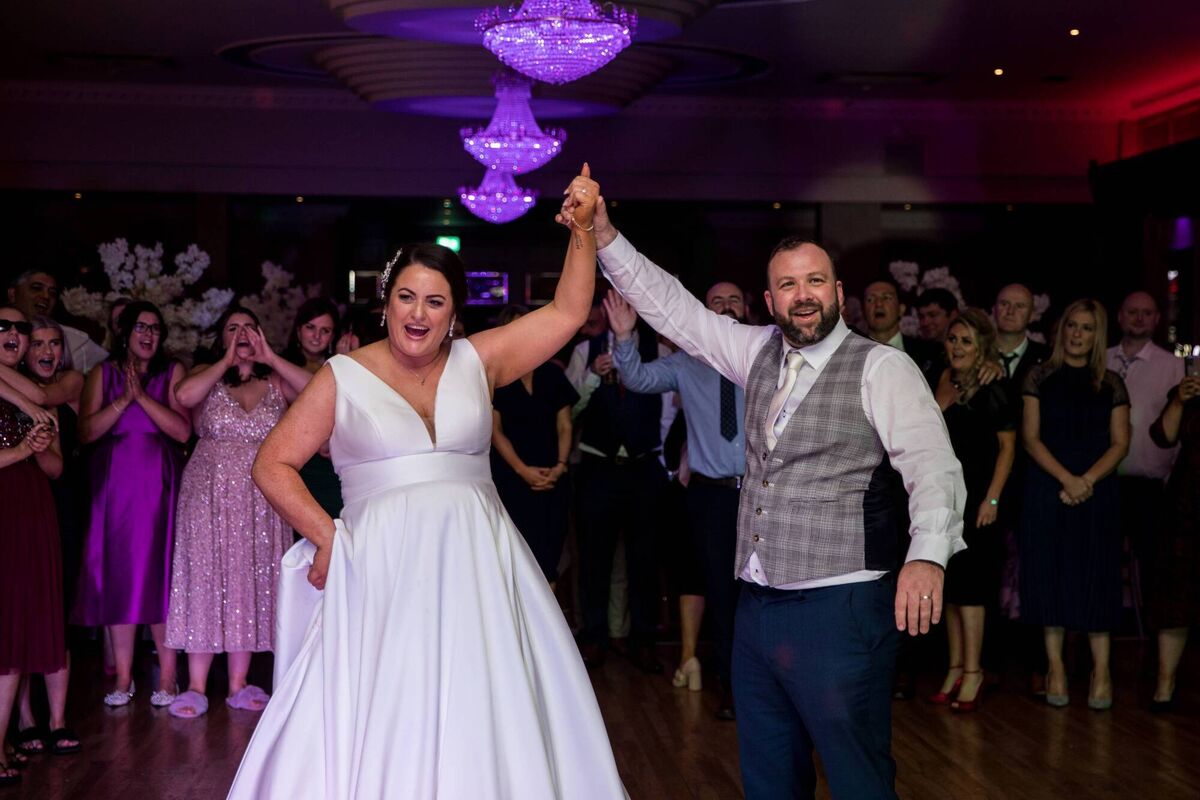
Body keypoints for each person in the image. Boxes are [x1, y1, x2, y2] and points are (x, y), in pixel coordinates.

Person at [227, 165, 627, 799]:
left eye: (435, 301)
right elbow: (271, 463)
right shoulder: (342, 374)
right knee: (394, 699)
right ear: (385, 303)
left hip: (477, 561)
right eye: (407, 297)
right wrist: (325, 536)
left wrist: (581, 226)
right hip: (382, 568)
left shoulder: (480, 359)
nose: (419, 313)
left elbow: (572, 309)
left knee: (484, 696)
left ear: (452, 313)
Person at [575, 177, 965, 800]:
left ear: (838, 292)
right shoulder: (753, 350)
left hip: (840, 607)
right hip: (755, 606)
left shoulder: (882, 367)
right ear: (769, 298)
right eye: (788, 285)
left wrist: (926, 556)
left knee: (858, 776)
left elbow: (933, 464)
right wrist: (604, 237)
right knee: (769, 778)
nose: (802, 296)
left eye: (814, 282)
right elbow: (672, 307)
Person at [606, 281, 747, 720]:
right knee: (722, 595)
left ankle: (768, 688)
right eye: (716, 301)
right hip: (711, 496)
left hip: (762, 493)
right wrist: (626, 338)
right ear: (704, 313)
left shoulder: (767, 357)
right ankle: (730, 686)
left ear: (747, 309)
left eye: (733, 300)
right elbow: (637, 377)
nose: (725, 307)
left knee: (763, 595)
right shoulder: (687, 364)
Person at [164, 307, 313, 718]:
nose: (242, 333)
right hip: (208, 494)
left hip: (261, 497)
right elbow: (183, 397)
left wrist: (271, 358)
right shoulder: (206, 376)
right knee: (206, 576)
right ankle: (195, 685)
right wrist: (226, 361)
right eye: (233, 328)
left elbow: (318, 389)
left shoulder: (277, 380)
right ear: (220, 337)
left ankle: (238, 682)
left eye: (249, 326)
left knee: (250, 578)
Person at [74, 301, 191, 708]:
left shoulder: (171, 372)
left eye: (155, 329)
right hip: (115, 488)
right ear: (125, 333)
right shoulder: (101, 375)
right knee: (119, 576)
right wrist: (124, 399)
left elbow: (181, 431)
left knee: (161, 577)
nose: (148, 335)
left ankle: (170, 675)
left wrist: (143, 396)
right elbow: (86, 432)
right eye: (141, 327)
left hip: (158, 487)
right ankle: (123, 677)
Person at [1019, 299, 1130, 710]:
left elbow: (1121, 442)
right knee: (1050, 577)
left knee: (1097, 578)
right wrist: (1067, 479)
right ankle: (1056, 668)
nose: (1078, 334)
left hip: (1097, 490)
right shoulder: (1039, 377)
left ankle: (1101, 671)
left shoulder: (1112, 382)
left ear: (1097, 334)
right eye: (1072, 326)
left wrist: (1086, 480)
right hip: (1049, 488)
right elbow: (1030, 438)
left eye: (1086, 328)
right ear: (1061, 330)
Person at [928, 309, 1016, 712]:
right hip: (944, 496)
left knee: (974, 591)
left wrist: (993, 499)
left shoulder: (993, 385)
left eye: (966, 340)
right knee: (949, 590)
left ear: (981, 345)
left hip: (979, 497)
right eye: (953, 339)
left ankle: (975, 671)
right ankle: (955, 666)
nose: (958, 347)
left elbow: (1007, 449)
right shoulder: (942, 377)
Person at [0, 305, 69, 785]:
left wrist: (40, 447)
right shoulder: (26, 398)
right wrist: (24, 442)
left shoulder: (30, 391)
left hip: (30, 507)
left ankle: (3, 740)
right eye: (3, 327)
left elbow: (56, 468)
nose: (15, 335)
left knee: (17, 622)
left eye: (21, 329)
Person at [10, 317, 85, 757]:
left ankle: (57, 720)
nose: (46, 350)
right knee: (17, 614)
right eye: (36, 342)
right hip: (20, 506)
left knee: (55, 612)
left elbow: (41, 399)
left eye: (54, 343)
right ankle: (25, 718)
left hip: (65, 506)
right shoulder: (12, 393)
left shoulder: (68, 382)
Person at [489, 304, 577, 589]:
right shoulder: (495, 376)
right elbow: (495, 430)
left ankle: (545, 632)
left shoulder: (552, 373)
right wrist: (522, 471)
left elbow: (565, 424)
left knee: (549, 557)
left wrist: (560, 466)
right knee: (515, 559)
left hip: (553, 478)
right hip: (511, 479)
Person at [1106, 291, 1183, 567]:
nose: (1139, 318)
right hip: (1101, 482)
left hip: (1148, 487)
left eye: (1147, 313)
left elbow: (1180, 427)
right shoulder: (1099, 360)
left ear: (1157, 319)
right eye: (1132, 311)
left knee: (1149, 564)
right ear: (1119, 316)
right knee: (1101, 563)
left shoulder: (1173, 367)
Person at [1145, 368, 1200, 710]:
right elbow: (1163, 437)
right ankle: (1165, 684)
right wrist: (1180, 398)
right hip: (1187, 503)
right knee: (1175, 595)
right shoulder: (1190, 392)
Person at [282, 298, 345, 521]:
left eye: (325, 330)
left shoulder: (340, 367)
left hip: (334, 467)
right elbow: (312, 393)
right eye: (310, 327)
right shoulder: (279, 367)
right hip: (296, 467)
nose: (316, 336)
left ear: (333, 336)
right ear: (298, 330)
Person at [7, 270, 108, 373]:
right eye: (36, 288)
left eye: (52, 293)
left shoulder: (76, 341)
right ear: (12, 294)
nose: (46, 296)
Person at [862, 279, 940, 385]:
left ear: (901, 309)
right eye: (870, 299)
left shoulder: (929, 353)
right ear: (863, 311)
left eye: (886, 298)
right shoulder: (852, 355)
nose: (878, 304)